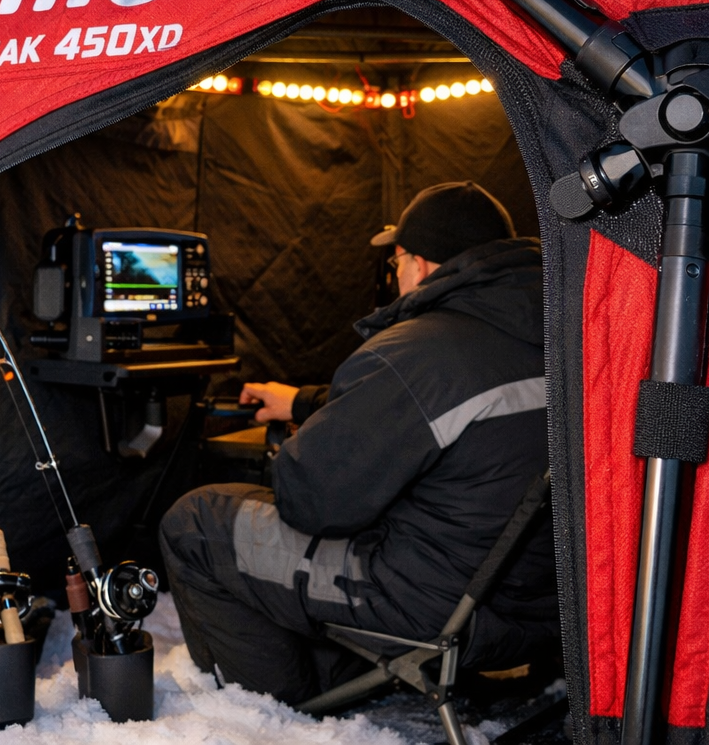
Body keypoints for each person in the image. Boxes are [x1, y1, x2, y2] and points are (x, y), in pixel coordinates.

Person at [159, 181, 556, 704]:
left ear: (421, 265)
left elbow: (312, 503)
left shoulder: (415, 350)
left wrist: (300, 448)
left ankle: (271, 711)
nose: (395, 276)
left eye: (395, 263)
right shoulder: (563, 330)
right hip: (546, 606)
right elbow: (439, 408)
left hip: (433, 607)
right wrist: (304, 403)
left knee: (194, 522)